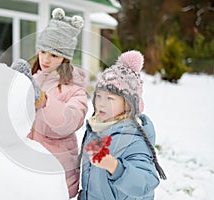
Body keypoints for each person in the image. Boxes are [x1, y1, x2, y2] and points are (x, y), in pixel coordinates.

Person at [11, 8, 88, 198]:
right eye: (43, 51)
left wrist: (44, 101)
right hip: (28, 165)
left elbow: (69, 122)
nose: (45, 59)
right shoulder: (31, 80)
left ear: (65, 58)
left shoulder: (74, 89)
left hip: (57, 170)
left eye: (54, 55)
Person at [80, 50, 166, 200]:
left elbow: (146, 181)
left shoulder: (133, 139)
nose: (101, 103)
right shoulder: (97, 128)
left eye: (110, 99)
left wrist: (115, 167)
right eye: (98, 96)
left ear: (128, 104)